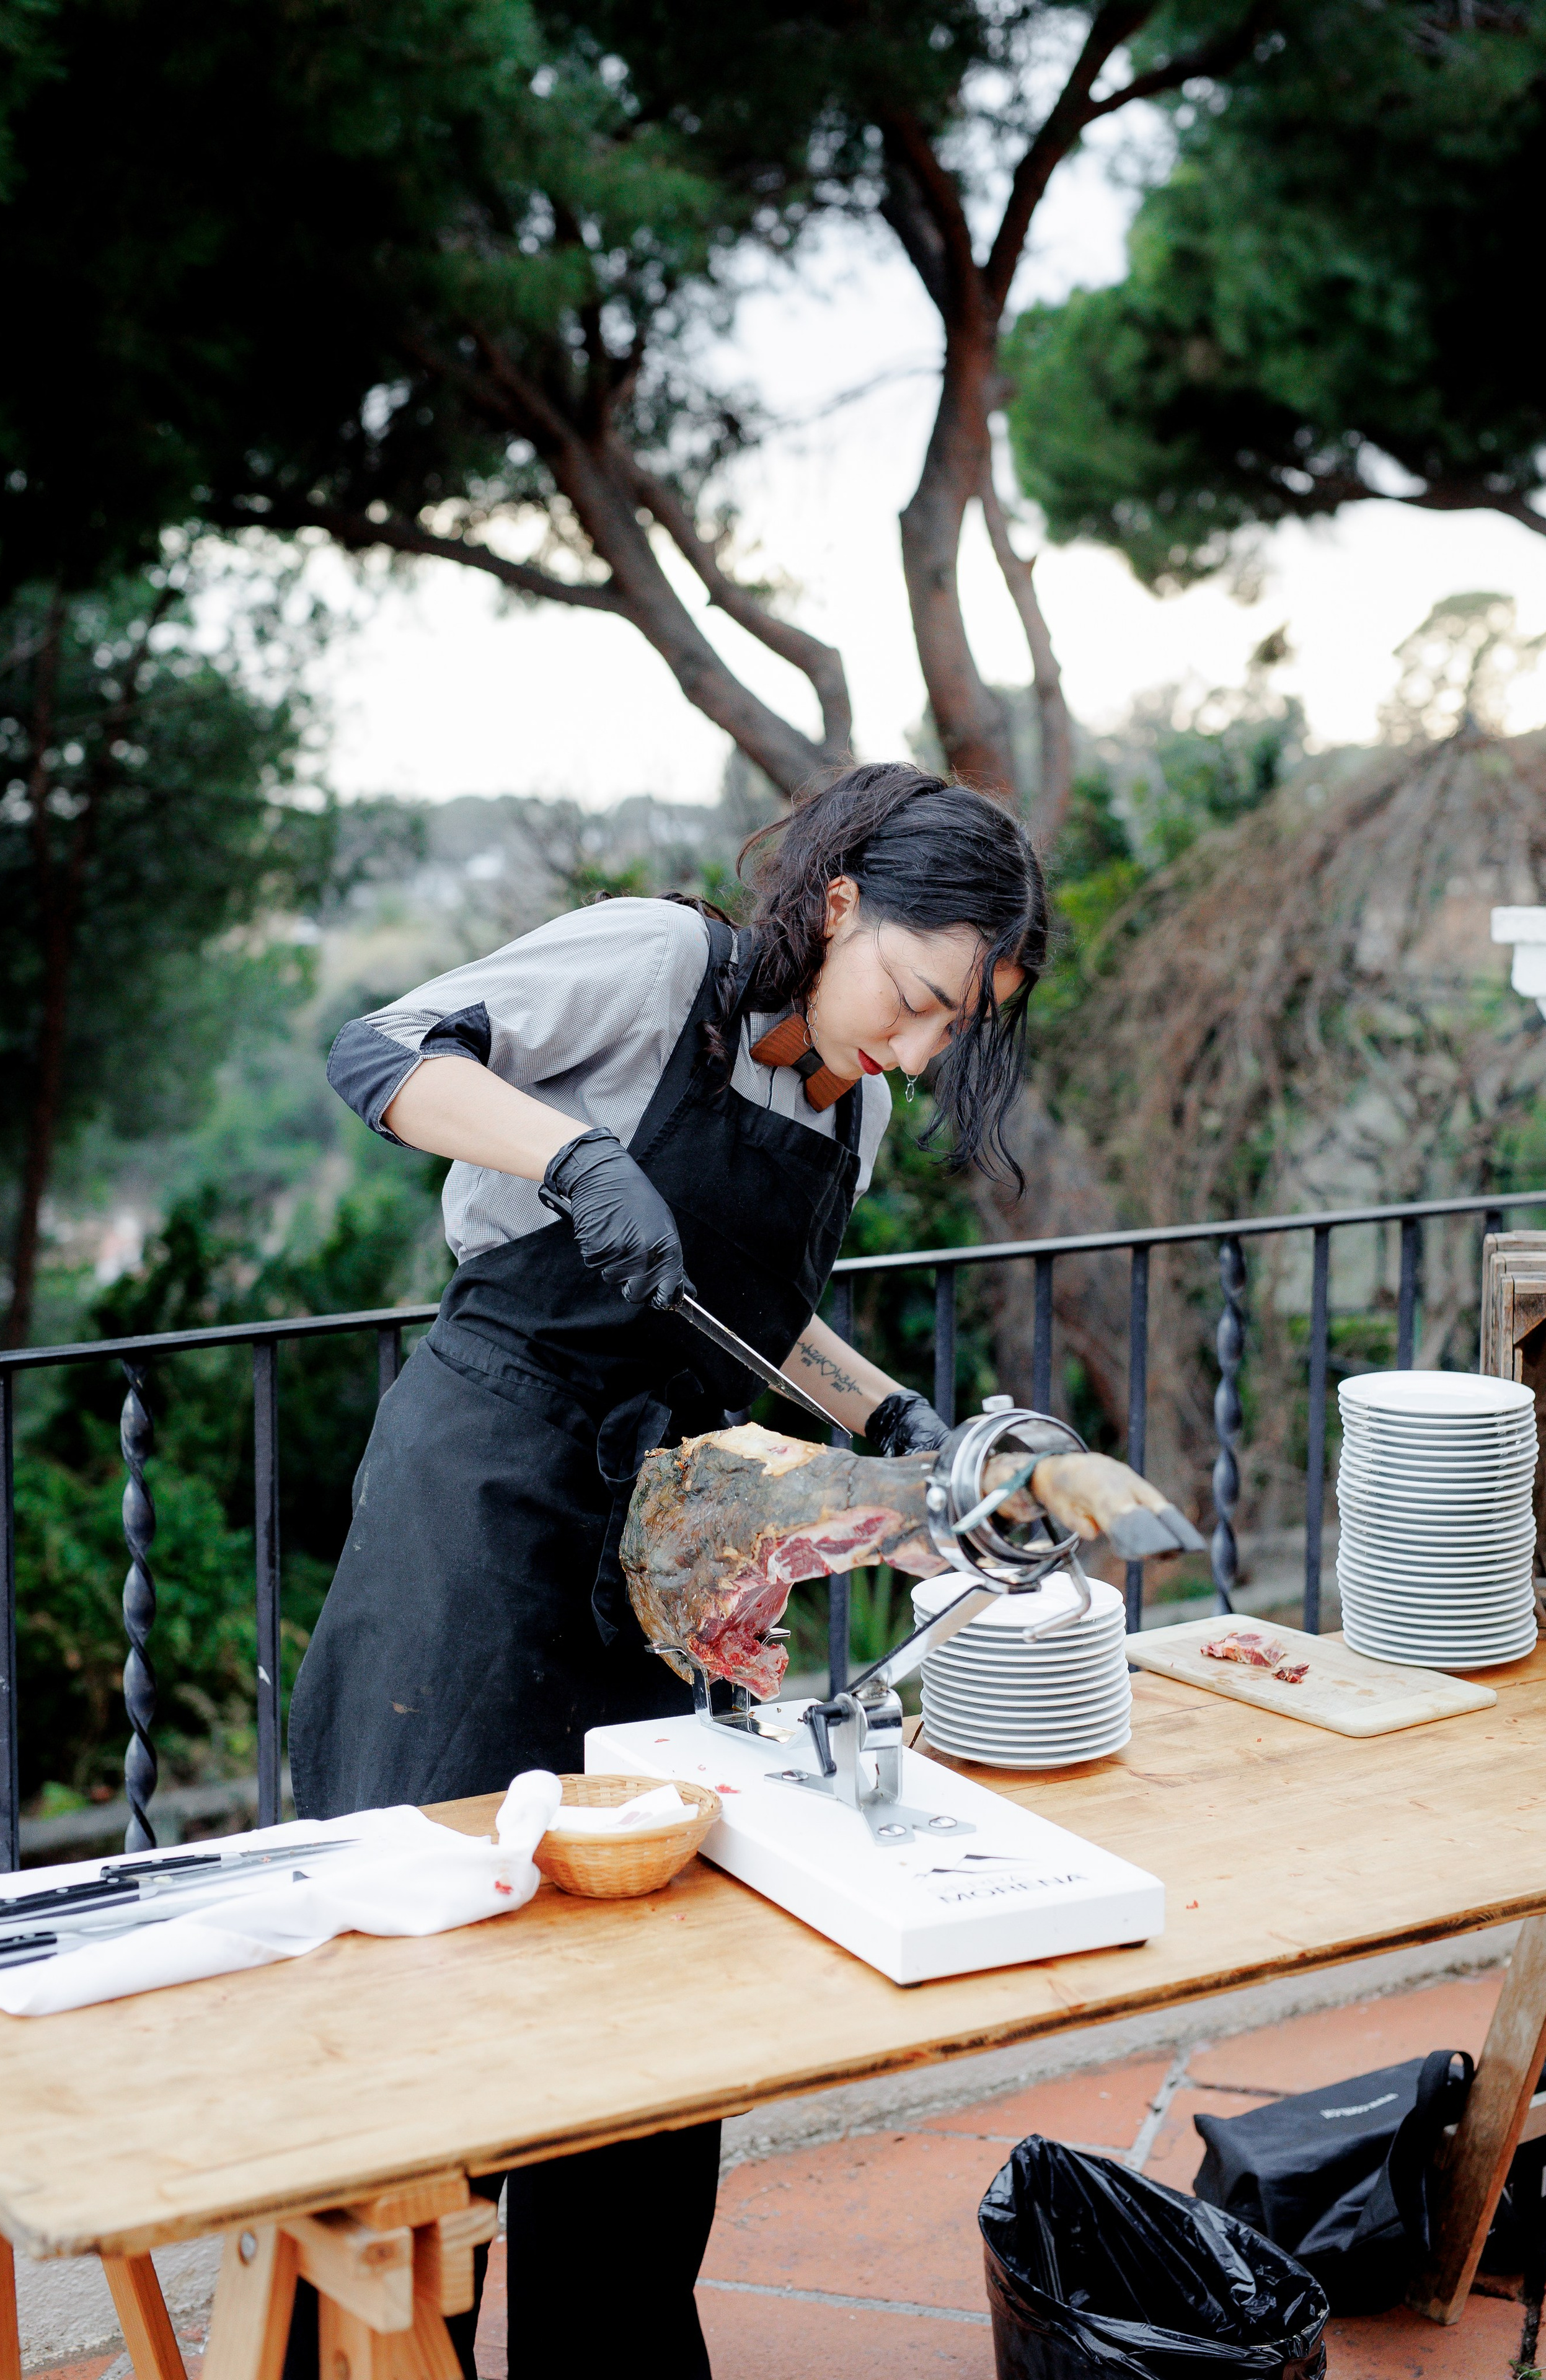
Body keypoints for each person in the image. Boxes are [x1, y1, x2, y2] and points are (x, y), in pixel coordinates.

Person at [283, 762, 1049, 2378]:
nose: (912, 1050)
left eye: (944, 1029)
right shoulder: (657, 966)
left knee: (647, 2005)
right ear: (837, 908)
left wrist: (881, 1407)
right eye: (909, 998)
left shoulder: (862, 1103)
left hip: (656, 1555)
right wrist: (568, 1159)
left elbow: (747, 1315)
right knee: (423, 1978)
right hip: (480, 1517)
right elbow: (380, 1053)